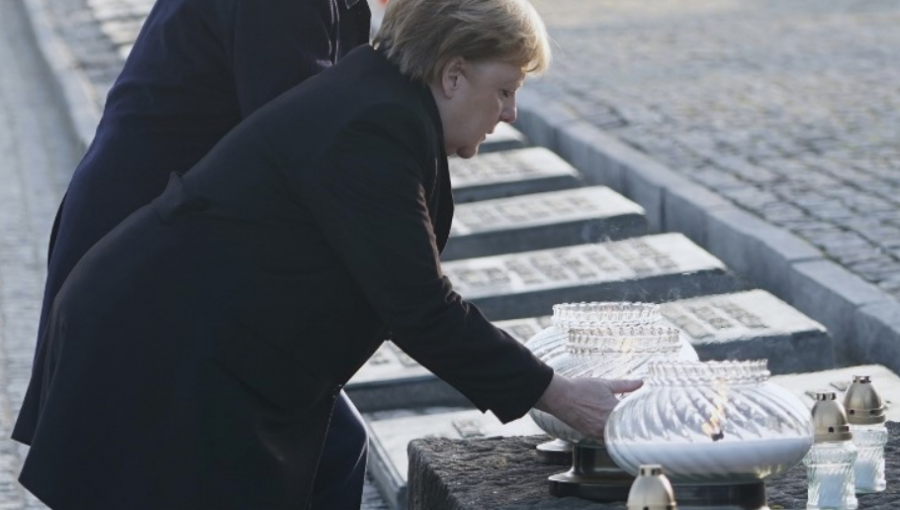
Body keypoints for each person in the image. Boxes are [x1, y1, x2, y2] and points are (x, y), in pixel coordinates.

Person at [15, 0, 643, 507]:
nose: (510, 114)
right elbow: (418, 304)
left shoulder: (383, 96)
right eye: (505, 90)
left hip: (202, 311)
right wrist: (556, 393)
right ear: (453, 74)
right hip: (162, 322)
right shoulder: (368, 123)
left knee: (325, 455)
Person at [13, 0, 372, 507]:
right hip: (147, 262)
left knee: (321, 451)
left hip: (176, 252)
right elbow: (305, 146)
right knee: (313, 452)